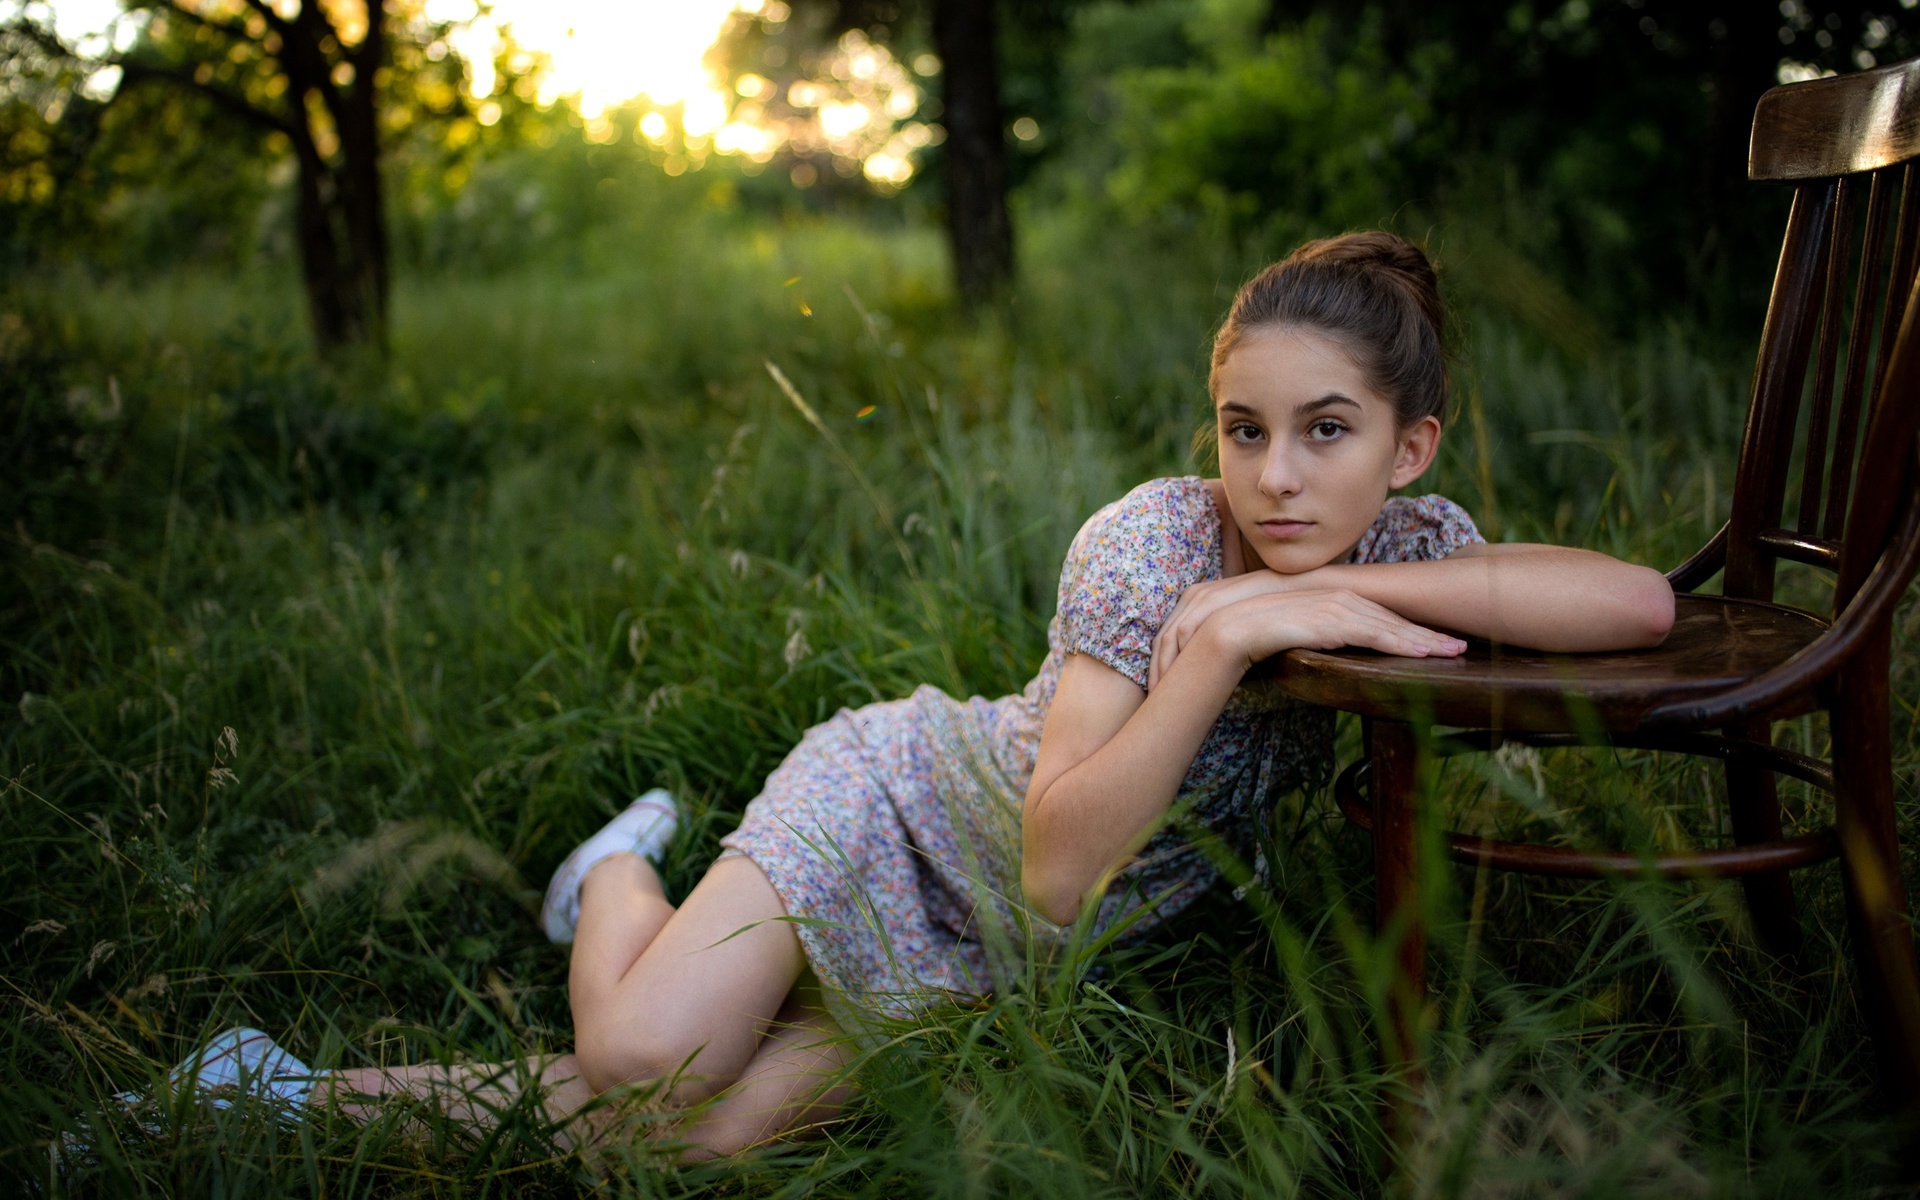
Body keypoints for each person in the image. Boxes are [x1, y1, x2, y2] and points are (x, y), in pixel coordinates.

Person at [149, 231, 1675, 1159]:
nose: (1279, 476)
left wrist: (1341, 594)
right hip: (913, 814)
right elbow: (1060, 865)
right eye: (1245, 427)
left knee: (682, 1145)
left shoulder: (1409, 545)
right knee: (635, 1062)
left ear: (1410, 449)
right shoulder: (1150, 548)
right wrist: (1217, 637)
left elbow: (1638, 602)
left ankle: (267, 1090)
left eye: (1328, 432)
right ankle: (616, 874)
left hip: (1003, 968)